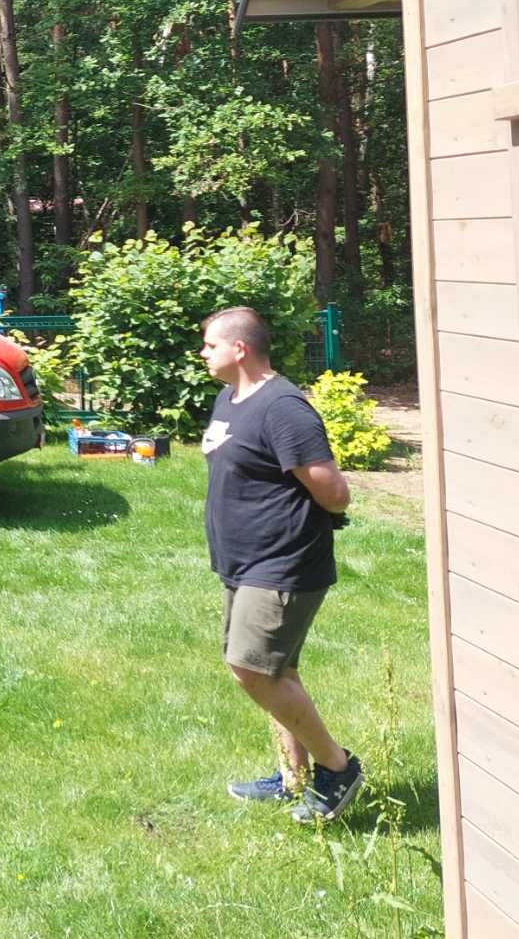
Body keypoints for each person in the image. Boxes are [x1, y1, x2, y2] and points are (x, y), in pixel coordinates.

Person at [199, 305, 361, 823]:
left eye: (209, 345)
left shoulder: (283, 407)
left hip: (284, 562)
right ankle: (294, 777)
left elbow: (335, 492)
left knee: (250, 668)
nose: (203, 353)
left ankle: (337, 768)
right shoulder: (230, 398)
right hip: (245, 562)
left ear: (239, 349)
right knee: (277, 667)